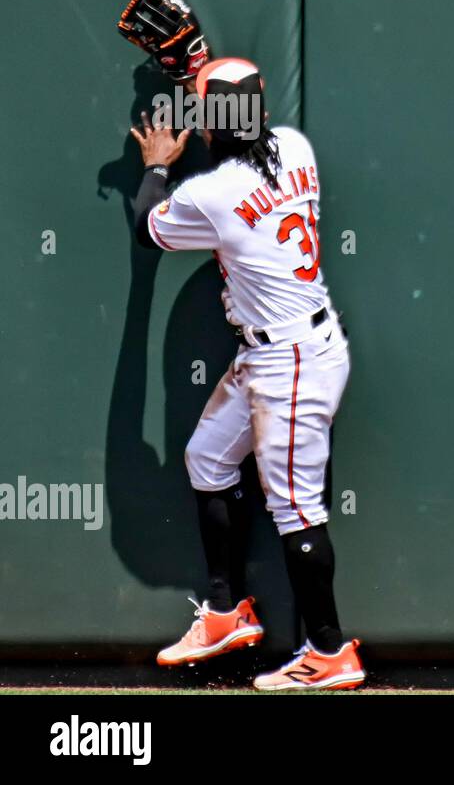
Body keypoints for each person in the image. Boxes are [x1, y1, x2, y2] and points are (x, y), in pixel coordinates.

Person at [129, 56, 364, 691]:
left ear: (212, 122)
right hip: (286, 348)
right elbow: (241, 128)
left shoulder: (212, 192)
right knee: (207, 458)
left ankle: (329, 651)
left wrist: (157, 161)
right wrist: (203, 79)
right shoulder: (293, 145)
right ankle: (226, 612)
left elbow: (150, 226)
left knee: (295, 509)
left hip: (290, 363)